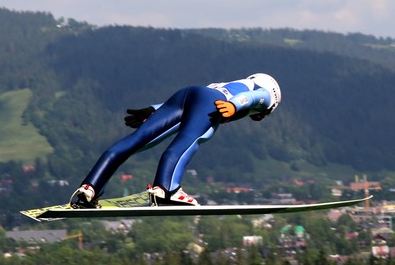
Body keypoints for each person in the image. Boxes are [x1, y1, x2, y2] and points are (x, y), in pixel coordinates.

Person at [70, 73, 281, 208]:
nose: (261, 117)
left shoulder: (235, 83)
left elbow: (196, 98)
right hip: (210, 102)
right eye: (266, 113)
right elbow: (257, 98)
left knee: (135, 140)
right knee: (188, 141)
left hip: (188, 94)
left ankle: (89, 188)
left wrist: (154, 109)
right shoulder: (265, 94)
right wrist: (235, 106)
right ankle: (166, 190)